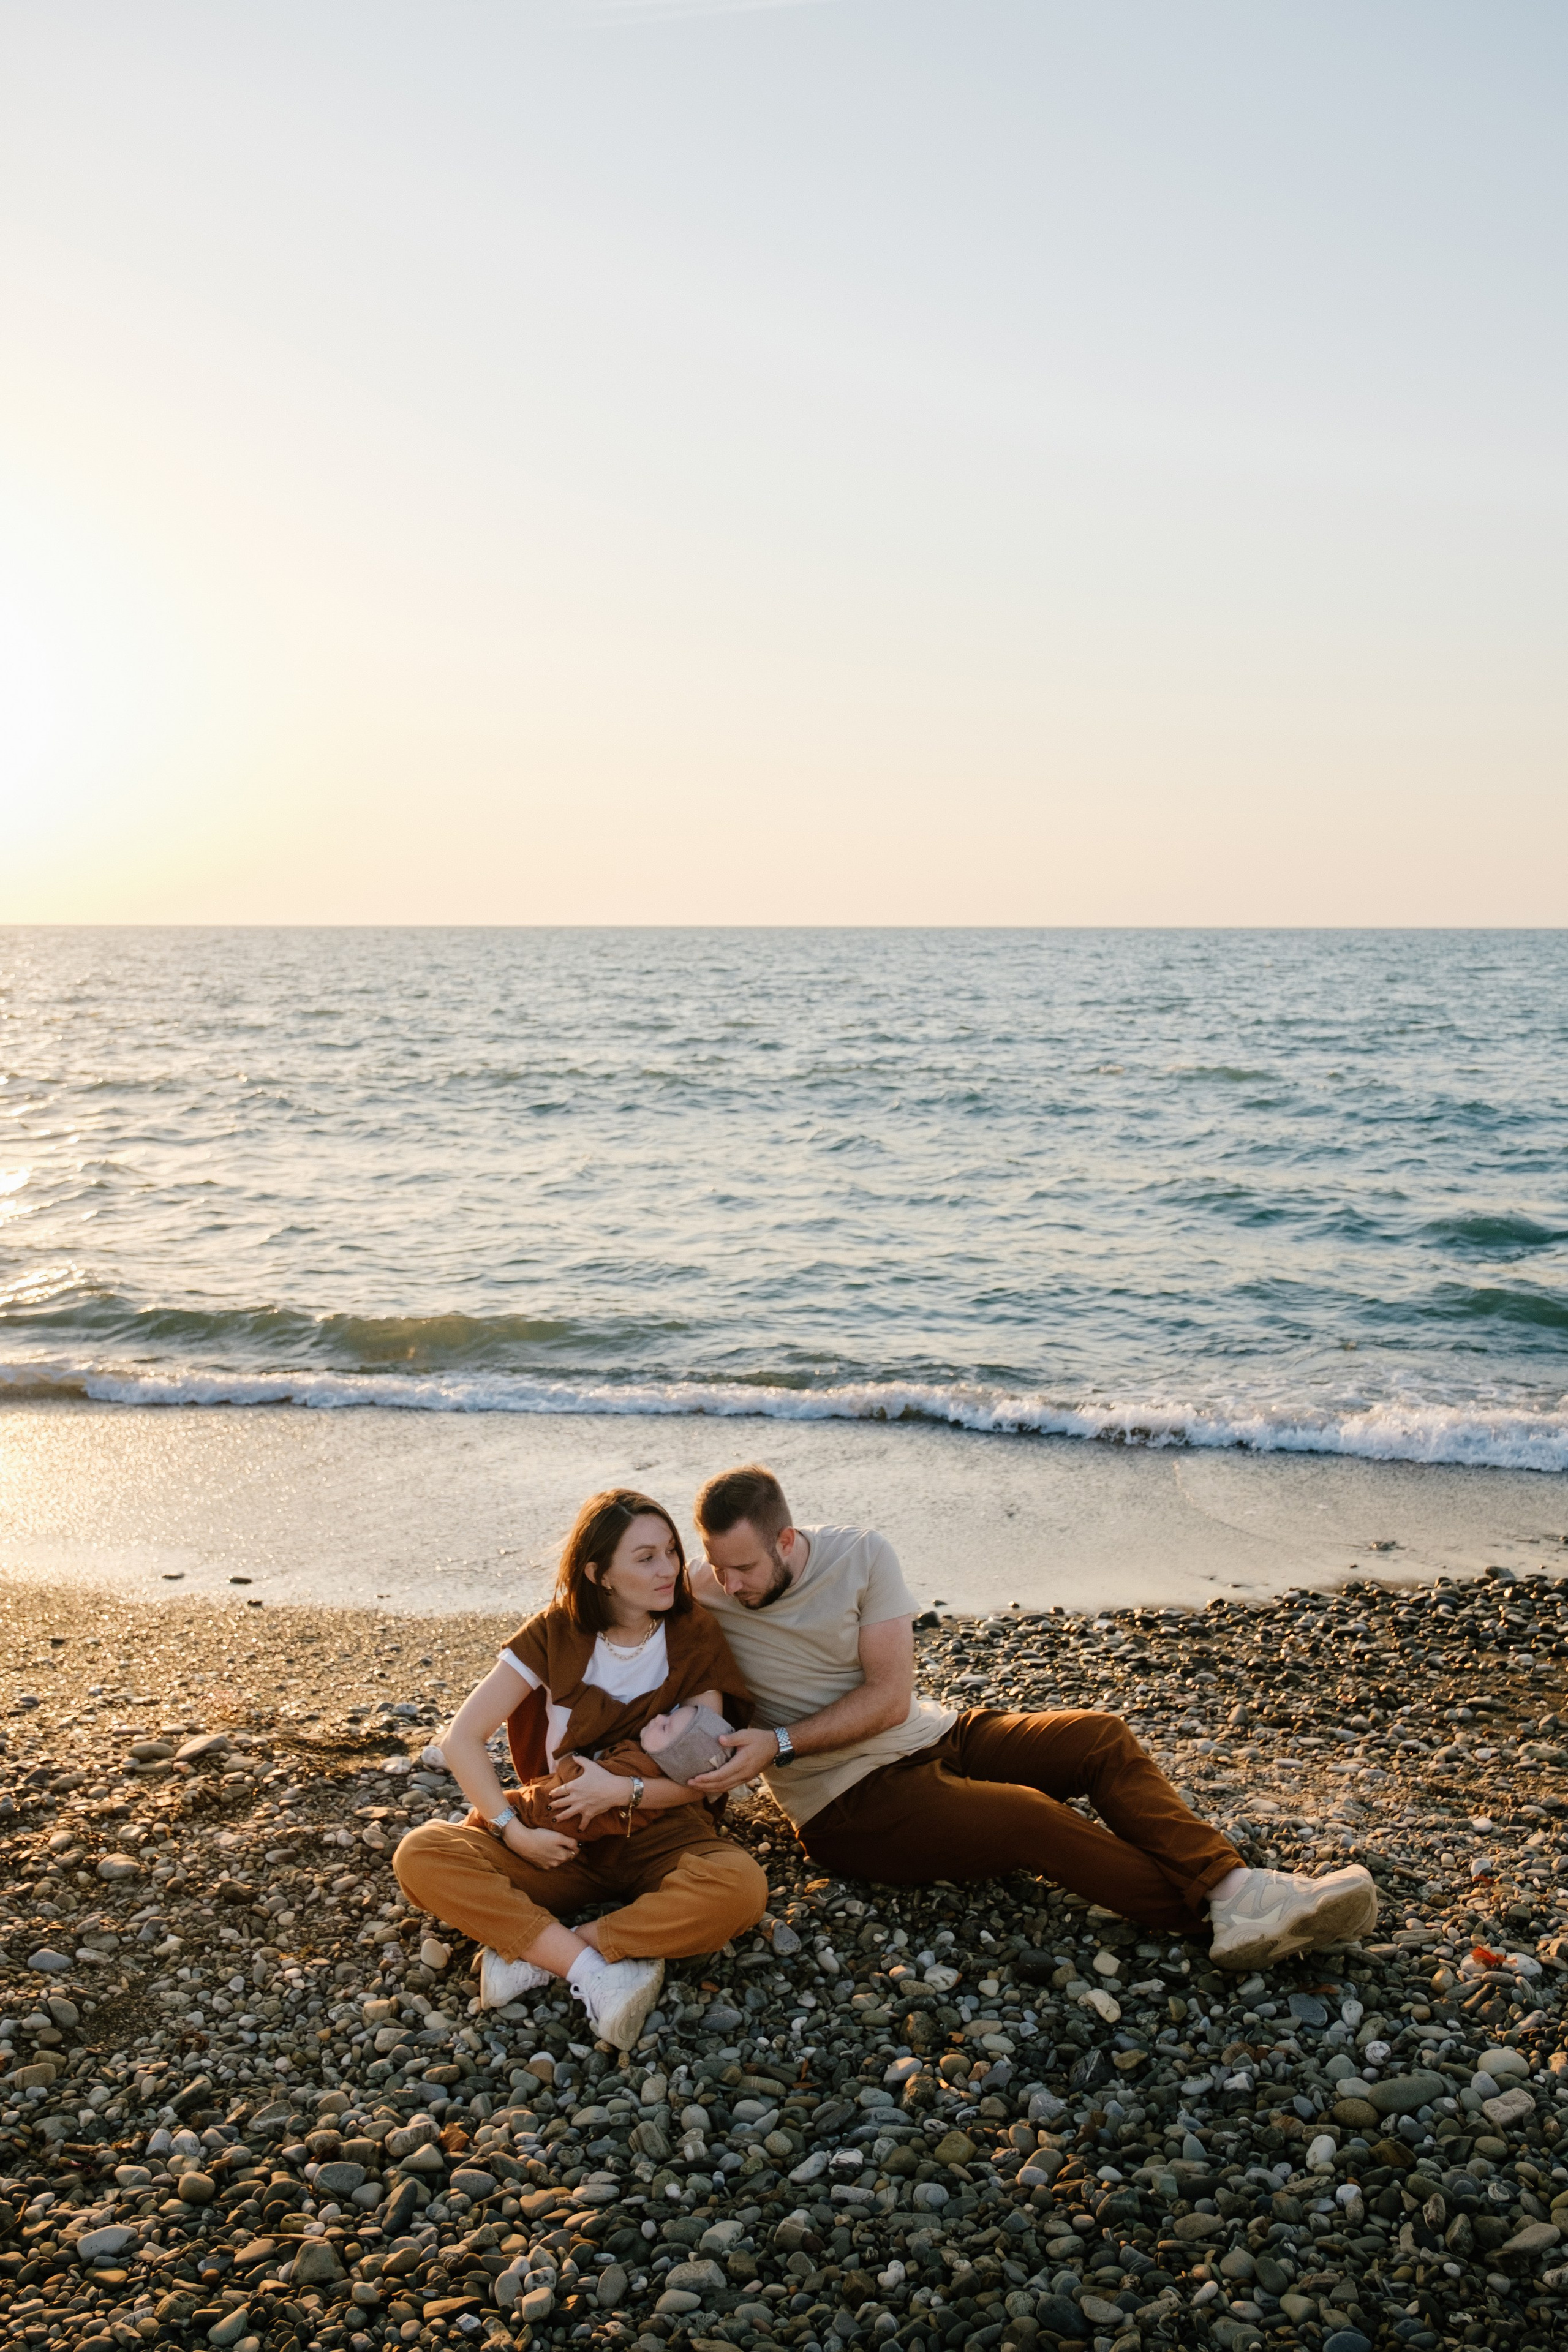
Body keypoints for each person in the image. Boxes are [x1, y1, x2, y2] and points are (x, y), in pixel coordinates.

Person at [687, 1464, 1378, 1970]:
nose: (728, 1585)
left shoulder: (860, 1554)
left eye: (742, 1567)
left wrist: (777, 1739)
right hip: (846, 1803)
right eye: (718, 1568)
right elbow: (603, 1612)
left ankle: (1233, 1890)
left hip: (930, 1735)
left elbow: (889, 1699)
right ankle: (1217, 1915)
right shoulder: (701, 1589)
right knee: (1028, 1816)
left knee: (1095, 1737)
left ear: (784, 1541)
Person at [393, 1488, 768, 2051]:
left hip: (663, 1833)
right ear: (600, 1574)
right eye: (645, 1558)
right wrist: (515, 1834)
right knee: (421, 1854)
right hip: (558, 1837)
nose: (669, 1569)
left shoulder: (693, 1636)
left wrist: (621, 1790)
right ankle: (600, 1972)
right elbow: (463, 1740)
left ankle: (552, 1954)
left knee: (740, 1889)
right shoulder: (553, 1634)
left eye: (670, 1550)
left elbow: (703, 1772)